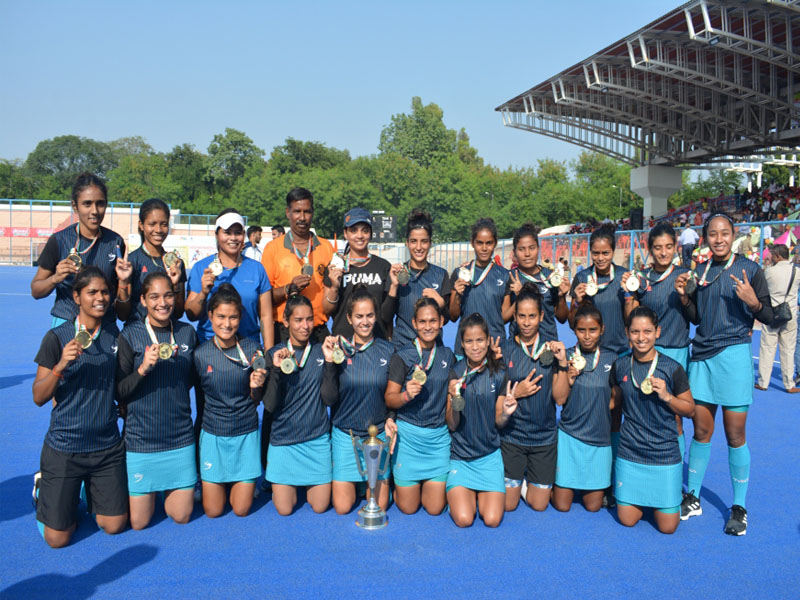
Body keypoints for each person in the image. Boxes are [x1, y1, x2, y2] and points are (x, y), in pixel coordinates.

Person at [676, 212, 773, 536]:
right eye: (713, 234)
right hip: (702, 357)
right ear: (705, 238)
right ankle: (693, 496)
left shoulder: (751, 269)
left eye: (725, 233)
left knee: (735, 435)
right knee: (701, 431)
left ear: (734, 235)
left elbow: (773, 316)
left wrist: (754, 305)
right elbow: (697, 316)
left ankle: (739, 507)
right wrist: (685, 297)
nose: (719, 239)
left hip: (733, 358)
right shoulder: (701, 271)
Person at [31, 267, 127, 547]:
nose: (100, 298)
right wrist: (60, 366)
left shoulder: (114, 337)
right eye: (92, 292)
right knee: (57, 539)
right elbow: (38, 396)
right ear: (76, 296)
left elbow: (121, 385)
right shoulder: (57, 337)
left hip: (106, 447)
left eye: (105, 292)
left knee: (114, 525)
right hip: (65, 446)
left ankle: (81, 490)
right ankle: (43, 489)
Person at [117, 272, 199, 529]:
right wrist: (142, 369)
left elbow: (191, 381)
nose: (162, 303)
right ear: (143, 300)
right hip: (141, 440)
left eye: (167, 296)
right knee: (140, 523)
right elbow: (119, 391)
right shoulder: (130, 335)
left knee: (181, 515)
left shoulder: (186, 333)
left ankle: (172, 486)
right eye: (154, 297)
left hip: (179, 438)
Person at [612, 307, 695, 534]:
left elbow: (689, 409)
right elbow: (613, 403)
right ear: (627, 333)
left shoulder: (672, 368)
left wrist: (668, 397)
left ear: (657, 332)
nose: (641, 338)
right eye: (635, 332)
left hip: (664, 453)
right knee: (627, 520)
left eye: (647, 331)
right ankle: (638, 496)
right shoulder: (620, 365)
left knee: (668, 528)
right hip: (631, 453)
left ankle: (667, 495)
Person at [321, 285, 397, 514]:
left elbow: (392, 396)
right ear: (349, 318)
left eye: (370, 315)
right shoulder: (338, 350)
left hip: (378, 437)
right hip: (347, 436)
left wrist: (391, 419)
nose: (365, 322)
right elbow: (328, 398)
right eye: (359, 316)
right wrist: (329, 364)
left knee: (380, 507)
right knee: (343, 507)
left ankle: (372, 483)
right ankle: (360, 481)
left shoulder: (388, 351)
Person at [194, 284, 266, 518]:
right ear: (210, 316)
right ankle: (210, 480)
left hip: (245, 434)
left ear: (240, 317)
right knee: (213, 511)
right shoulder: (200, 354)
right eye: (221, 316)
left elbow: (257, 400)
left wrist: (256, 388)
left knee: (241, 509)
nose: (227, 323)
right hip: (214, 436)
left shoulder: (253, 349)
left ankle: (242, 481)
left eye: (233, 317)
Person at [569, 224, 627, 503]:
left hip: (617, 355)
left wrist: (630, 295)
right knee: (588, 415)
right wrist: (577, 301)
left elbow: (632, 316)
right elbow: (571, 322)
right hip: (588, 357)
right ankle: (586, 475)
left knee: (614, 417)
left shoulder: (623, 279)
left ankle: (613, 480)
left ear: (613, 252)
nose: (600, 258)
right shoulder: (581, 277)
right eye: (595, 252)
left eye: (605, 252)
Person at [498, 285, 569, 512]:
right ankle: (516, 481)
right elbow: (497, 399)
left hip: (543, 438)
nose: (526, 322)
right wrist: (515, 393)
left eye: (531, 316)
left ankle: (525, 482)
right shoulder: (506, 350)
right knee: (508, 506)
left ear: (541, 316)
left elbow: (559, 399)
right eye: (521, 316)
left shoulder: (552, 348)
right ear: (515, 317)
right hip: (513, 436)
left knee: (539, 505)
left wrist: (563, 363)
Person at [623, 223, 692, 457]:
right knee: (643, 411)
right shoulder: (641, 279)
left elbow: (695, 314)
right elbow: (630, 317)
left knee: (675, 418)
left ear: (676, 247)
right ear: (650, 249)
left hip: (676, 352)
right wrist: (628, 293)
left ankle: (676, 475)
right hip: (646, 353)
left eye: (669, 247)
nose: (663, 252)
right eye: (658, 247)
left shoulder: (683, 275)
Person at [31, 172, 132, 327]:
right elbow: (36, 291)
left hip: (104, 328)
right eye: (87, 204)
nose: (95, 211)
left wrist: (124, 283)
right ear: (75, 206)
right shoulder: (59, 241)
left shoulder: (115, 242)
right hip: (66, 326)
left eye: (100, 203)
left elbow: (122, 308)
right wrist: (56, 278)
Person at [386, 297, 457, 515]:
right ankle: (392, 483)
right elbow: (390, 398)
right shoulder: (402, 356)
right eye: (423, 322)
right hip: (409, 438)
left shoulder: (447, 356)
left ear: (441, 322)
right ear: (414, 323)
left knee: (435, 509)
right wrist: (406, 395)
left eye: (433, 321)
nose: (428, 327)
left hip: (437, 441)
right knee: (408, 508)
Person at [263, 291, 331, 515]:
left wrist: (330, 365)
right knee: (284, 509)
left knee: (320, 507)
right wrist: (275, 371)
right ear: (285, 321)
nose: (305, 326)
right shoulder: (274, 355)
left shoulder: (322, 352)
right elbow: (270, 406)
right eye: (298, 320)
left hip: (316, 441)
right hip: (283, 442)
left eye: (309, 319)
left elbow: (330, 399)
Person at [445, 313, 516, 528]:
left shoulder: (500, 373)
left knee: (492, 520)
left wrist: (505, 412)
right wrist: (454, 397)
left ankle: (476, 495)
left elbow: (499, 422)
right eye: (469, 341)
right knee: (465, 519)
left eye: (479, 340)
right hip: (461, 459)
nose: (475, 347)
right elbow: (451, 424)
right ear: (462, 344)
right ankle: (464, 494)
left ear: (488, 341)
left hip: (489, 459)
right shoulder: (455, 373)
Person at [551, 305, 618, 513]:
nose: (587, 336)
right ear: (574, 330)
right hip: (570, 438)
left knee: (593, 507)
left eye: (593, 330)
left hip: (599, 440)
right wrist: (567, 375)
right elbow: (560, 399)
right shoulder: (566, 356)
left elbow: (617, 398)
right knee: (562, 506)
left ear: (602, 329)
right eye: (581, 330)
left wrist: (597, 411)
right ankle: (540, 485)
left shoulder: (612, 358)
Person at [186, 209, 273, 347]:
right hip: (209, 350)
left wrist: (268, 352)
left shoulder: (257, 269)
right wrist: (203, 292)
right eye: (227, 232)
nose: (233, 238)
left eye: (237, 233)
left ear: (244, 235)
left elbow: (266, 316)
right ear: (216, 235)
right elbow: (191, 315)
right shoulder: (201, 268)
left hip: (248, 349)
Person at [261, 188, 334, 344]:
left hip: (318, 332)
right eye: (297, 212)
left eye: (307, 212)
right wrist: (289, 288)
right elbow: (264, 298)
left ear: (313, 213)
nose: (302, 217)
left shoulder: (327, 248)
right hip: (284, 333)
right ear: (288, 213)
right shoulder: (272, 249)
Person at [323, 208, 396, 340]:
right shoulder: (336, 266)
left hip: (376, 343)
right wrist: (334, 287)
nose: (360, 235)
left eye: (365, 230)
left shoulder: (383, 267)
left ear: (371, 234)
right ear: (345, 233)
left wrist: (389, 339)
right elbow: (327, 310)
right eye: (353, 230)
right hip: (343, 343)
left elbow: (387, 315)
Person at [387, 209, 450, 349]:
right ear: (407, 243)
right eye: (414, 241)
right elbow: (386, 317)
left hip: (432, 351)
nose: (419, 247)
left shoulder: (441, 275)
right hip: (402, 350)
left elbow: (445, 320)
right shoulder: (397, 274)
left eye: (424, 241)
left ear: (430, 243)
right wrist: (393, 287)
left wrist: (440, 302)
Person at [448, 218, 511, 357]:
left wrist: (519, 297)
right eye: (479, 243)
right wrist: (457, 294)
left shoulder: (505, 275)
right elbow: (453, 316)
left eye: (489, 243)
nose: (484, 248)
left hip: (495, 347)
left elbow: (504, 317)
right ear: (472, 243)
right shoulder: (460, 273)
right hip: (466, 348)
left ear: (495, 243)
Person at [503, 223, 569, 343]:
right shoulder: (510, 277)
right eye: (521, 249)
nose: (527, 254)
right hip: (518, 348)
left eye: (532, 248)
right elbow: (503, 318)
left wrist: (561, 297)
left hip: (548, 346)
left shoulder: (550, 277)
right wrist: (519, 297)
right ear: (514, 252)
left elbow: (562, 318)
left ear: (538, 249)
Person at [127, 198, 186, 323]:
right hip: (137, 333)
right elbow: (122, 314)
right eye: (152, 224)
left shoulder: (176, 264)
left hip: (168, 334)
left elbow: (179, 312)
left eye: (164, 224)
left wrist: (175, 285)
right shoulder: (131, 262)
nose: (159, 230)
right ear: (141, 225)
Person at [756, 244, 800, 392]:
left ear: (778, 256)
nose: (771, 257)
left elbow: (761, 289)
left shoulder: (770, 272)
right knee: (788, 350)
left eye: (773, 255)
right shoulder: (797, 272)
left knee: (767, 348)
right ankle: (789, 384)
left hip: (772, 315)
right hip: (790, 314)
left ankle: (763, 382)